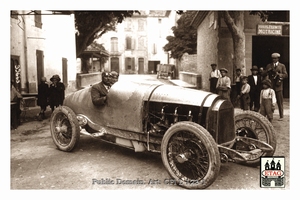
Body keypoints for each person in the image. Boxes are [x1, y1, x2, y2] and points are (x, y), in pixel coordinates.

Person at [262, 53, 288, 121]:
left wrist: (279, 74)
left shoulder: (282, 66)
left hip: (278, 86)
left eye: (275, 58)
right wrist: (267, 70)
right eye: (273, 58)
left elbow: (286, 75)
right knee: (269, 101)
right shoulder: (269, 65)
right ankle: (270, 116)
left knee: (280, 101)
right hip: (270, 86)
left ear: (278, 59)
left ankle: (281, 116)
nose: (274, 59)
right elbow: (264, 74)